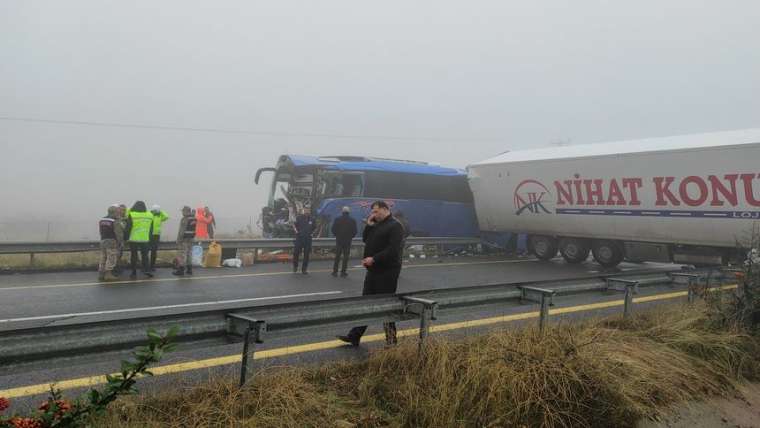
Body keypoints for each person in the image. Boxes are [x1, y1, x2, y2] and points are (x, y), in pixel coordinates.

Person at [338, 201, 404, 346]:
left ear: (385, 209)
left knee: (385, 306)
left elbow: (393, 250)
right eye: (372, 212)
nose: (373, 214)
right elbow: (365, 239)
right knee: (366, 304)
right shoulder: (377, 224)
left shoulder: (395, 226)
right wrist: (369, 224)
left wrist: (374, 258)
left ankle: (391, 341)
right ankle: (354, 336)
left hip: (387, 272)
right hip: (373, 270)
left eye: (376, 211)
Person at [125, 200, 154, 279]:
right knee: (145, 256)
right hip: (145, 239)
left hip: (133, 239)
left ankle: (134, 272)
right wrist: (150, 238)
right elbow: (151, 228)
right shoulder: (150, 215)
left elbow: (128, 228)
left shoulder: (132, 215)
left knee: (134, 256)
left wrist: (125, 238)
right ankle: (147, 270)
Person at [98, 205, 124, 281]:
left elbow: (100, 231)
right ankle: (108, 274)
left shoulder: (102, 220)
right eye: (118, 211)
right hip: (112, 241)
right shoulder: (115, 221)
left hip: (103, 240)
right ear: (115, 212)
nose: (119, 213)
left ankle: (101, 274)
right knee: (111, 257)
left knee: (103, 257)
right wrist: (120, 242)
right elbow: (118, 233)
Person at [331, 206, 357, 277]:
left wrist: (337, 235)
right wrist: (351, 237)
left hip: (339, 240)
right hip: (348, 241)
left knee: (337, 256)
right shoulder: (352, 220)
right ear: (349, 212)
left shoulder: (337, 219)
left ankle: (335, 272)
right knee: (346, 257)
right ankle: (343, 272)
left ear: (342, 211)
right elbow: (355, 231)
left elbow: (333, 229)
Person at [174, 206, 197, 276]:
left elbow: (181, 231)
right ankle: (189, 269)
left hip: (184, 239)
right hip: (191, 238)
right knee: (189, 253)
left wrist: (178, 240)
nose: (182, 212)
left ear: (186, 211)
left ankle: (181, 270)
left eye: (183, 211)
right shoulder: (194, 218)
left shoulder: (184, 219)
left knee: (182, 255)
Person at [292, 208, 315, 274]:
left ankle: (304, 269)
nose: (307, 211)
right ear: (304, 211)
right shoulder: (299, 218)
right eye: (306, 210)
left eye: (308, 210)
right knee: (296, 253)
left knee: (306, 255)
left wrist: (312, 233)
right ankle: (295, 266)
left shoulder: (312, 219)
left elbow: (314, 227)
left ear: (309, 211)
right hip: (299, 238)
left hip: (308, 239)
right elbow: (294, 225)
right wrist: (296, 232)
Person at [149, 204, 169, 272]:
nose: (155, 211)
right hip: (149, 235)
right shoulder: (149, 215)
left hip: (156, 235)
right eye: (154, 210)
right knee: (146, 251)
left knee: (154, 251)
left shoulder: (160, 216)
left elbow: (166, 216)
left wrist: (161, 211)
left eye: (156, 210)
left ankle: (152, 266)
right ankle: (146, 265)